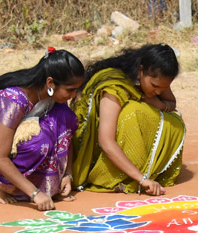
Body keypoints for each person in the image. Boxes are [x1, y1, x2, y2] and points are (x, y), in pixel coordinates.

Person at [0, 49, 84, 209]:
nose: (74, 95)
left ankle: (47, 183)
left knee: (64, 116)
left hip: (10, 133)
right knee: (38, 142)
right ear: (50, 83)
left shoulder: (53, 96)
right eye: (70, 90)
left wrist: (68, 174)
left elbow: (65, 132)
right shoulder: (15, 100)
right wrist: (35, 194)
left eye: (76, 90)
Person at [71, 44, 185, 196]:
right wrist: (142, 179)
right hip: (93, 150)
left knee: (175, 123)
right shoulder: (114, 89)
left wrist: (159, 104)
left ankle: (141, 166)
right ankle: (119, 173)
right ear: (140, 71)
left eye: (163, 88)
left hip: (112, 141)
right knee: (134, 111)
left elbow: (171, 103)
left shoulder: (157, 80)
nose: (158, 92)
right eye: (155, 86)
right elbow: (106, 142)